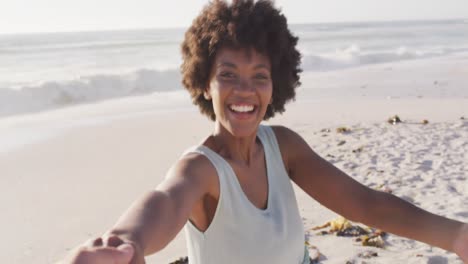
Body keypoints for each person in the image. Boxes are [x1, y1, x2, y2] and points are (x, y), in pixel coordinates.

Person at [61, 0, 468, 263]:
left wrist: (457, 236)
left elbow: (363, 204)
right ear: (205, 82)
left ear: (276, 84)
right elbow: (165, 201)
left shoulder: (283, 146)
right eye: (228, 75)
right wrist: (122, 242)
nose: (245, 90)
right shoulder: (201, 170)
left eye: (260, 76)